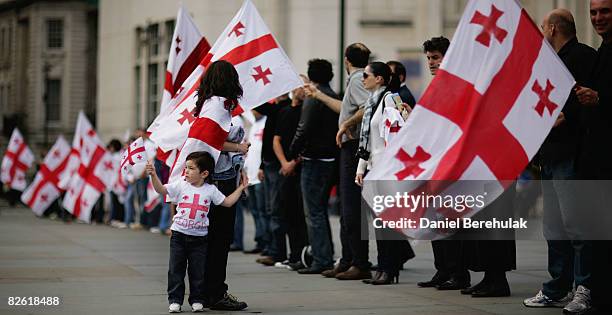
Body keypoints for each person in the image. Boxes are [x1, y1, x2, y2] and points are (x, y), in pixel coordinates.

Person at [523, 9, 597, 313]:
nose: (541, 31)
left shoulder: (582, 57)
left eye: (543, 26)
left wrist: (570, 116)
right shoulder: (552, 62)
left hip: (571, 155)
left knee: (576, 226)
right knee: (554, 227)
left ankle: (584, 288)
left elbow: (591, 103)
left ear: (553, 28)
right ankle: (557, 287)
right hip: (552, 156)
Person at [146, 151, 248, 313]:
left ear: (204, 173)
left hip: (199, 239)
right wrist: (153, 175)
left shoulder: (211, 190)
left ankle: (197, 299)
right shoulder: (180, 184)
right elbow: (161, 190)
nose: (186, 171)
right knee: (175, 270)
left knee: (197, 272)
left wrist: (241, 187)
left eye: (191, 168)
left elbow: (227, 203)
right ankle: (175, 300)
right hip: (179, 236)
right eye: (186, 167)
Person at [305, 43, 372, 280]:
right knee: (346, 208)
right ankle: (347, 259)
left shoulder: (356, 80)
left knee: (351, 208)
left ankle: (358, 262)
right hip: (350, 148)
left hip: (353, 148)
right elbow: (344, 107)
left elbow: (367, 107)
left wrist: (346, 124)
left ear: (346, 60)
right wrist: (319, 95)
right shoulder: (356, 80)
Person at [191, 60, 250, 311]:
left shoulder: (213, 104)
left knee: (213, 237)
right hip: (221, 178)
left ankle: (205, 291)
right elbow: (210, 139)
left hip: (222, 175)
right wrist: (238, 147)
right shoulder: (217, 106)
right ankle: (214, 292)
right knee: (219, 237)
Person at [416, 36, 470, 291]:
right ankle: (443, 270)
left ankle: (458, 273)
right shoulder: (435, 86)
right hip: (434, 163)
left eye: (435, 58)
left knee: (450, 223)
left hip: (452, 165)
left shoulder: (456, 86)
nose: (430, 63)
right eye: (428, 58)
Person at [354, 61, 414, 285]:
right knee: (378, 223)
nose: (363, 79)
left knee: (388, 222)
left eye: (366, 75)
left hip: (387, 170)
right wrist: (361, 168)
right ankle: (383, 267)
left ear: (379, 78)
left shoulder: (390, 98)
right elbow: (367, 139)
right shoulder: (371, 102)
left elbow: (402, 129)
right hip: (373, 169)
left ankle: (389, 268)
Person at [573, 1, 612, 313]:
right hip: (595, 158)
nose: (598, 18)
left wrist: (601, 98)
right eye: (594, 13)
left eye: (605, 11)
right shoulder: (603, 49)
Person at [288, 59, 340, 274]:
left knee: (314, 212)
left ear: (312, 76)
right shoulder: (334, 96)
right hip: (330, 158)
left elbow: (304, 128)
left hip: (314, 160)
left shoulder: (314, 98)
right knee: (320, 210)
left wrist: (293, 151)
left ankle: (321, 259)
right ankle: (325, 255)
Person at [273, 82, 309, 270]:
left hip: (300, 168)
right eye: (297, 85)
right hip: (285, 168)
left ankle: (304, 254)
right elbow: (276, 139)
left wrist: (294, 162)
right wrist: (284, 163)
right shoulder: (285, 111)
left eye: (304, 86)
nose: (300, 89)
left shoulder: (307, 111)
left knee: (301, 213)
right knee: (287, 211)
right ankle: (293, 254)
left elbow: (308, 140)